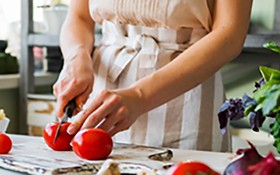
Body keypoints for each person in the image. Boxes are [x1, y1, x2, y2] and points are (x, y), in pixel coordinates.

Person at [53, 0, 253, 152]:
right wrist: (76, 56)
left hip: (186, 99)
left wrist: (140, 96)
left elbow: (230, 34)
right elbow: (79, 16)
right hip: (103, 91)